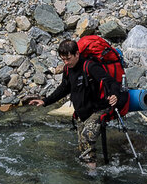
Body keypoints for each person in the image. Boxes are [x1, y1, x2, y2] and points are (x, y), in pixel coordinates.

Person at [28, 39, 125, 169]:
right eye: (63, 60)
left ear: (77, 54)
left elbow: (111, 81)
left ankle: (92, 175)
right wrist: (45, 101)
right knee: (83, 146)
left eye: (68, 59)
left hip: (98, 109)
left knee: (86, 138)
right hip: (82, 111)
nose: (66, 63)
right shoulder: (68, 70)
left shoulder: (90, 66)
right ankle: (90, 169)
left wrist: (114, 95)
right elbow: (63, 88)